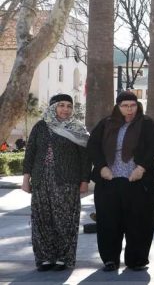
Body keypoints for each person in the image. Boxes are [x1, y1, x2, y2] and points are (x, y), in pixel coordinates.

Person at [87, 91, 154, 272]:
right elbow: (93, 145)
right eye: (125, 106)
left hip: (137, 181)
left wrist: (141, 168)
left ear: (138, 106)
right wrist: (101, 167)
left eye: (133, 105)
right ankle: (110, 259)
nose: (129, 109)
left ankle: (136, 260)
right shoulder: (106, 124)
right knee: (108, 222)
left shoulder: (146, 124)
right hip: (110, 181)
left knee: (139, 221)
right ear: (118, 107)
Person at [22, 94, 90, 271]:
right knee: (41, 219)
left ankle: (63, 257)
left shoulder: (77, 128)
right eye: (61, 105)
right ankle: (44, 257)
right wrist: (26, 179)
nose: (65, 109)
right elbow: (30, 153)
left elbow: (85, 158)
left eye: (69, 106)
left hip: (68, 180)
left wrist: (84, 180)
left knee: (65, 219)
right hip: (41, 180)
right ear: (53, 107)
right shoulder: (40, 127)